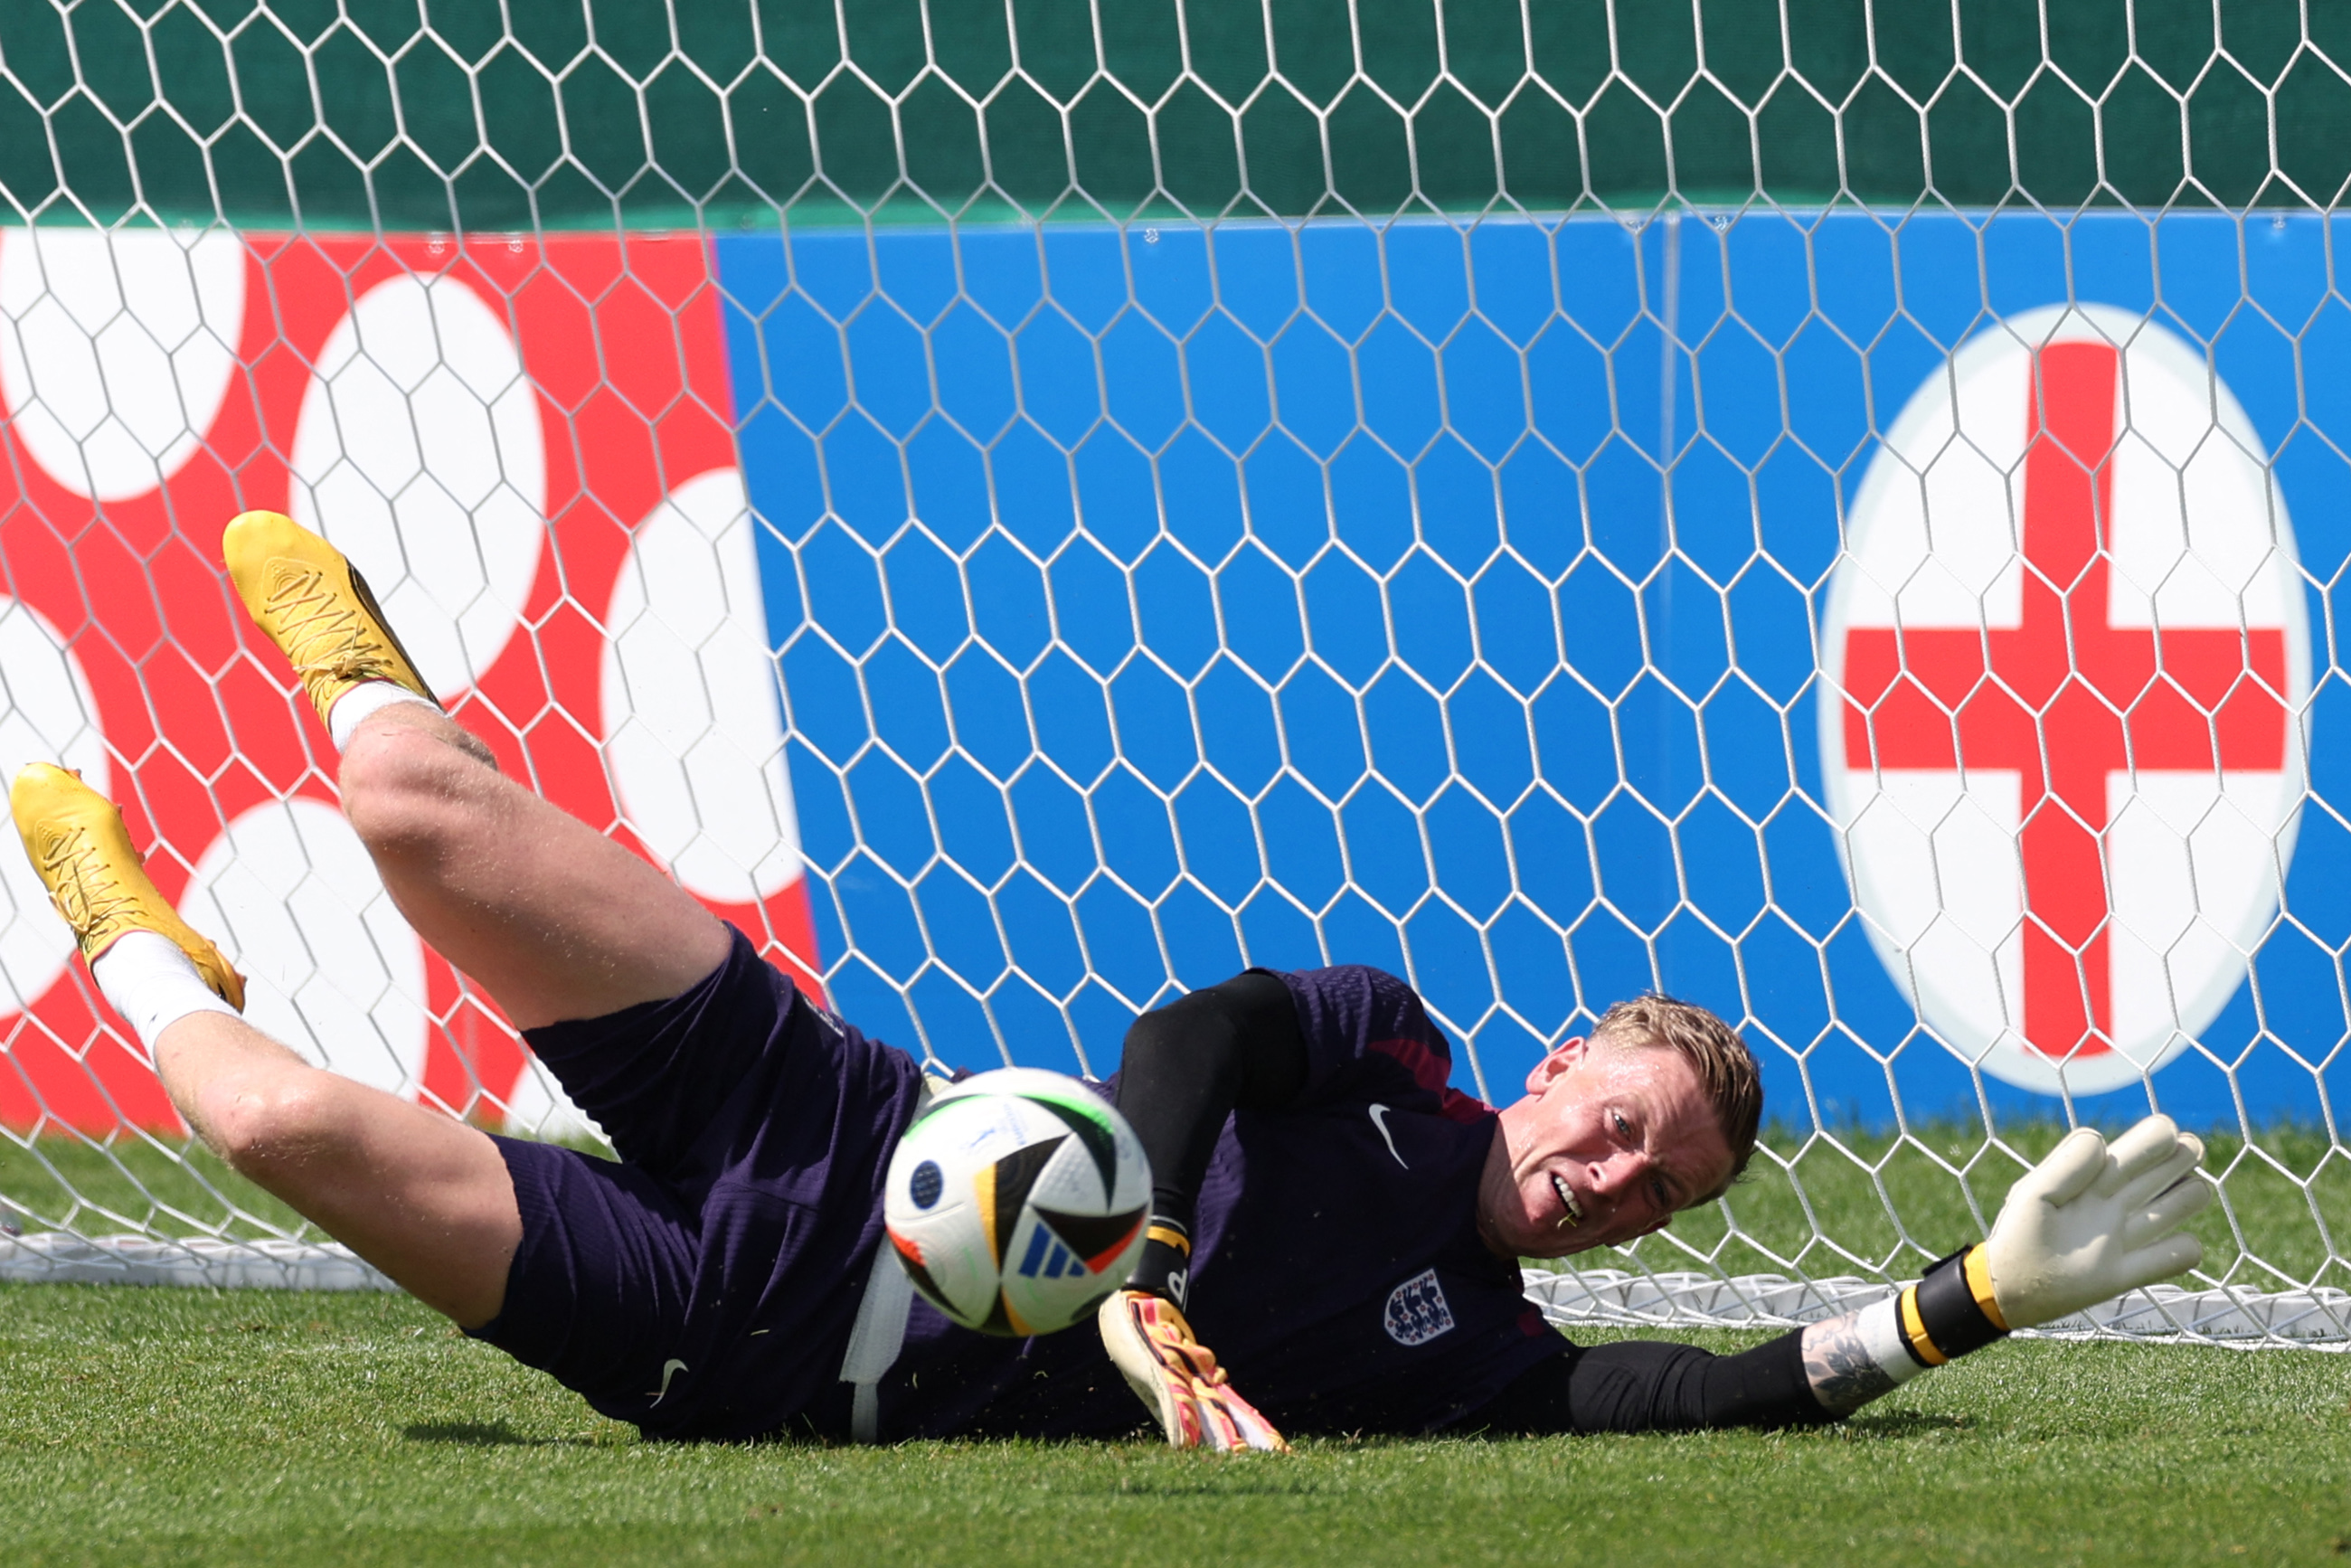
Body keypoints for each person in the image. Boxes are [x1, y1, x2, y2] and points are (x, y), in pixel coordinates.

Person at [7, 511, 2214, 1450]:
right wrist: (1137, 1270)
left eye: (1654, 1199)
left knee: (279, 1121)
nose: (1615, 1184)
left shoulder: (1474, 1372)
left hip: (735, 1352)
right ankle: (380, 676)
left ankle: (128, 939)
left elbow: (1716, 1398)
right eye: (1622, 1126)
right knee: (412, 818)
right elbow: (1194, 1033)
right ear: (1559, 1067)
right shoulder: (1383, 1049)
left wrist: (1965, 1304)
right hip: (842, 1123)